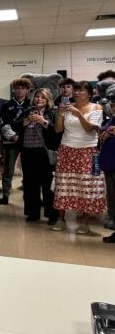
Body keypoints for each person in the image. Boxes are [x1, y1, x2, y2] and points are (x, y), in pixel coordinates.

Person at [52, 81, 106, 233]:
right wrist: (60, 114)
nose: (77, 92)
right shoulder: (67, 107)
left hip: (88, 150)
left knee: (86, 186)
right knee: (64, 185)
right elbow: (58, 130)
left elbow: (90, 129)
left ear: (89, 93)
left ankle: (85, 222)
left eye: (81, 90)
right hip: (67, 149)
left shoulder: (97, 107)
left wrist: (79, 114)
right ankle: (60, 219)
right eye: (76, 90)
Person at [19, 88, 58, 224]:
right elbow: (16, 126)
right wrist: (27, 120)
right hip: (28, 152)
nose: (39, 99)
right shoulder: (26, 112)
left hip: (45, 153)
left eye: (43, 97)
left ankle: (52, 214)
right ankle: (33, 212)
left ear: (48, 100)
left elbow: (57, 132)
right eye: (37, 97)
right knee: (30, 184)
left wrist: (43, 121)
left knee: (48, 185)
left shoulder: (53, 113)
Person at [0, 77, 32, 205]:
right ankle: (6, 194)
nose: (20, 91)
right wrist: (13, 136)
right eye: (17, 88)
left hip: (28, 141)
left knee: (29, 169)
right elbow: (3, 124)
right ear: (14, 89)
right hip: (11, 141)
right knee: (8, 170)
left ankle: (28, 195)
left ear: (28, 90)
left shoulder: (31, 104)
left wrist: (23, 136)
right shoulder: (6, 105)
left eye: (23, 88)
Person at [99, 84, 115, 243]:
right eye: (111, 101)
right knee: (112, 198)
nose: (113, 104)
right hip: (109, 164)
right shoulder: (112, 118)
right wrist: (103, 134)